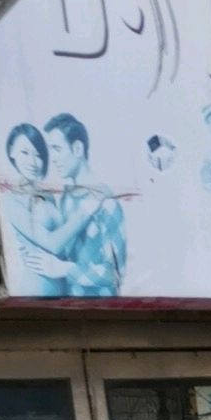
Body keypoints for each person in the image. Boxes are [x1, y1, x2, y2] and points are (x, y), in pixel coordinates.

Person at [17, 113, 126, 297]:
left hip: (103, 312)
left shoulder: (107, 203)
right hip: (68, 310)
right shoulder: (66, 197)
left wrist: (66, 270)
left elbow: (115, 275)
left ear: (77, 148)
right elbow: (62, 251)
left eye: (57, 149)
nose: (53, 159)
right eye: (50, 151)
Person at [4, 123, 105, 298]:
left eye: (38, 155)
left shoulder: (47, 196)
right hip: (36, 289)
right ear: (12, 151)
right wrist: (85, 213)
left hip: (63, 287)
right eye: (25, 153)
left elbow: (65, 246)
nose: (33, 162)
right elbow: (53, 243)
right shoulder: (11, 200)